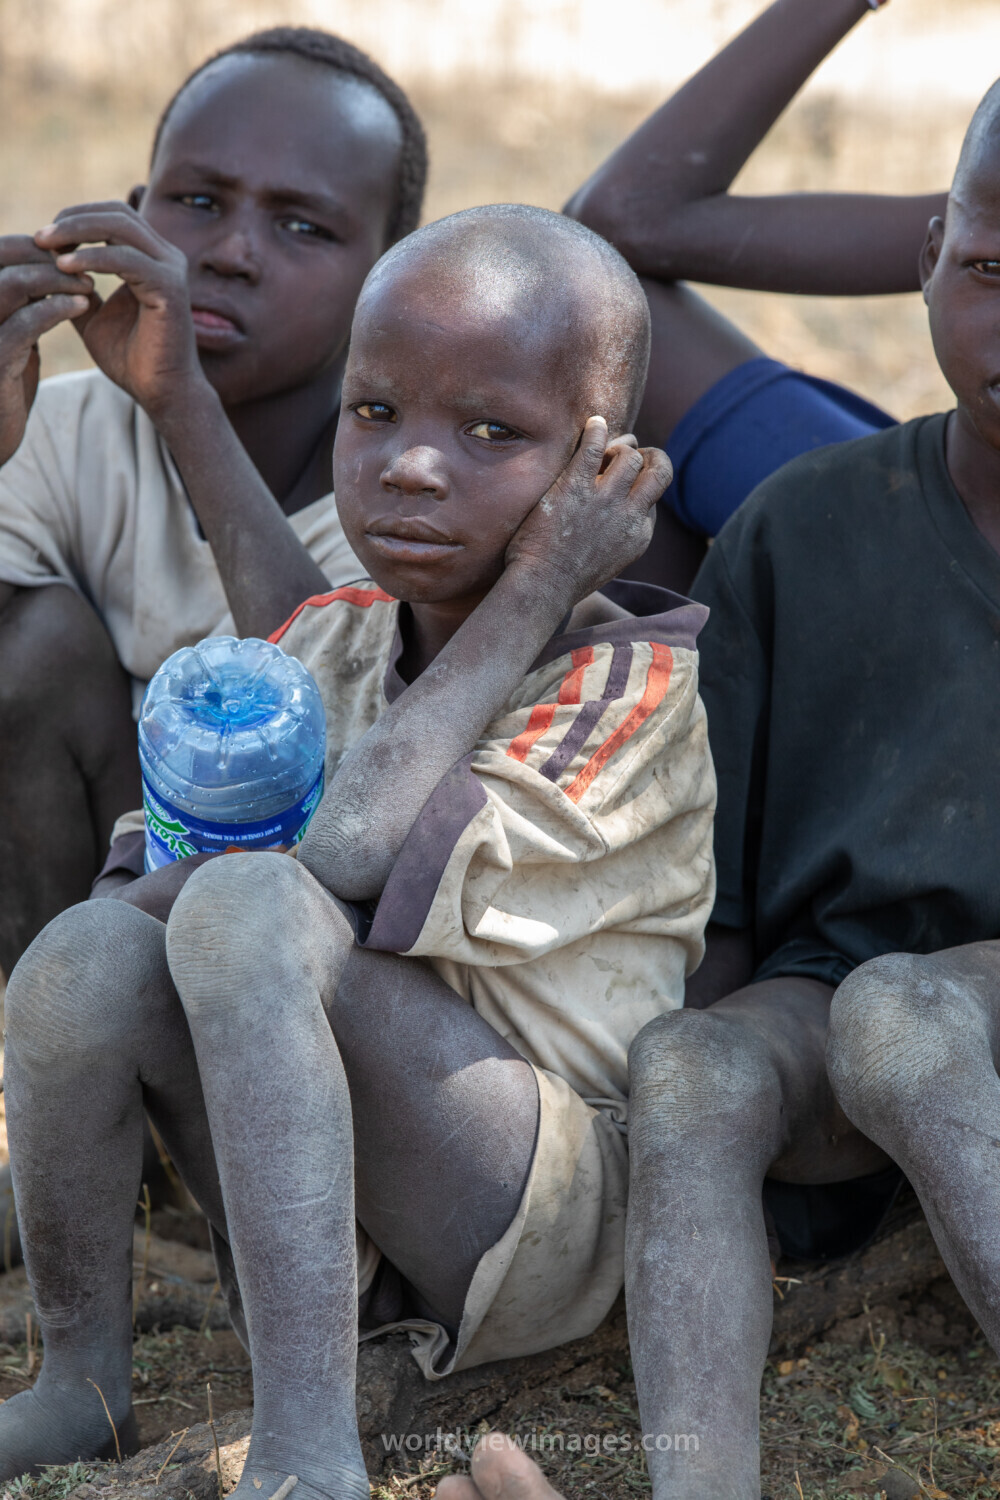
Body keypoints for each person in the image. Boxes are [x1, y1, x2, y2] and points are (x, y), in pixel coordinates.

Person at [0, 205, 716, 1492]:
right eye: (376, 412)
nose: (413, 467)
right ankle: (78, 1378)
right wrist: (145, 907)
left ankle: (307, 1446)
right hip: (338, 1195)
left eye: (491, 433)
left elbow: (341, 856)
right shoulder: (329, 636)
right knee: (82, 956)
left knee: (250, 909)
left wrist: (540, 586)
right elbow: (141, 880)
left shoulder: (624, 681)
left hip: (532, 1210)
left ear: (601, 474)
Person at [619, 73, 1000, 1500]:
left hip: (936, 1015)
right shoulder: (806, 529)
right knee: (694, 1068)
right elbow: (712, 886)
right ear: (925, 261)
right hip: (839, 1001)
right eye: (988, 270)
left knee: (900, 1018)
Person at [0, 27, 427, 975]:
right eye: (196, 202)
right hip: (96, 929)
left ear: (388, 276)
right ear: (138, 208)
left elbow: (353, 736)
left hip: (311, 966)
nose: (233, 252)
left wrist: (186, 406)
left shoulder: (422, 495)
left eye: (304, 226)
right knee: (29, 648)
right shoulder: (61, 429)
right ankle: (60, 1052)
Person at [568, 0, 949, 592]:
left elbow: (628, 212)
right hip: (945, 516)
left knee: (597, 316)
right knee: (606, 319)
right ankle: (675, 678)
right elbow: (621, 228)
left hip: (953, 565)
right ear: (938, 253)